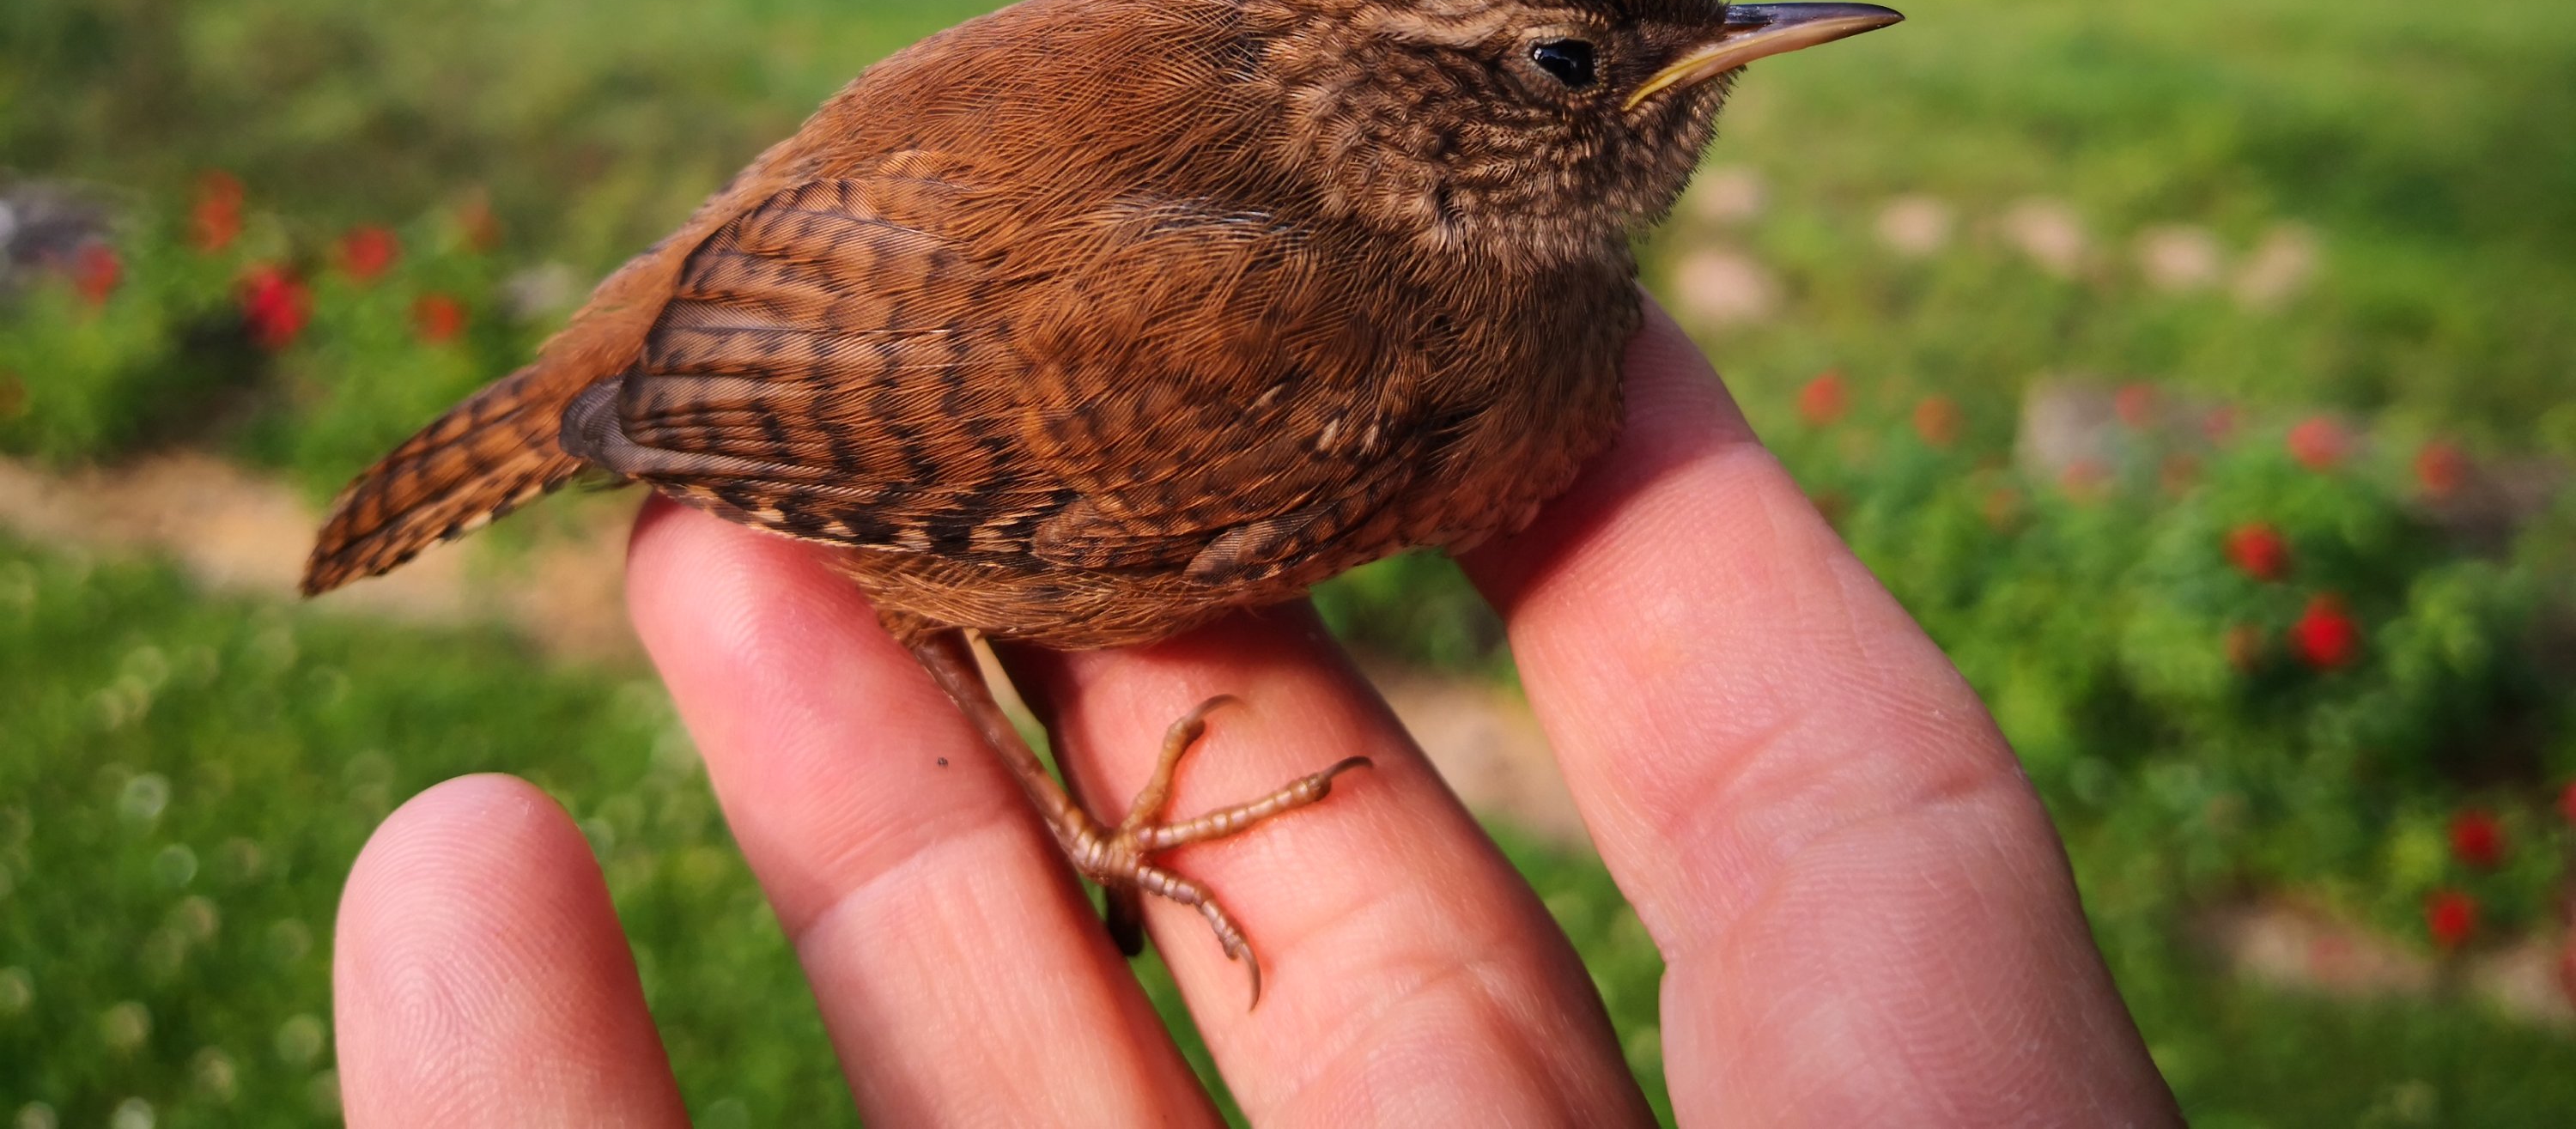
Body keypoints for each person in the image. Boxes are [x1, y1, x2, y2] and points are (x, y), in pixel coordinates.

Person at [331, 306, 2183, 1126]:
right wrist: (1086, 833)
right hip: (823, 350)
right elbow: (945, 530)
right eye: (1556, 69)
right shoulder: (1317, 331)